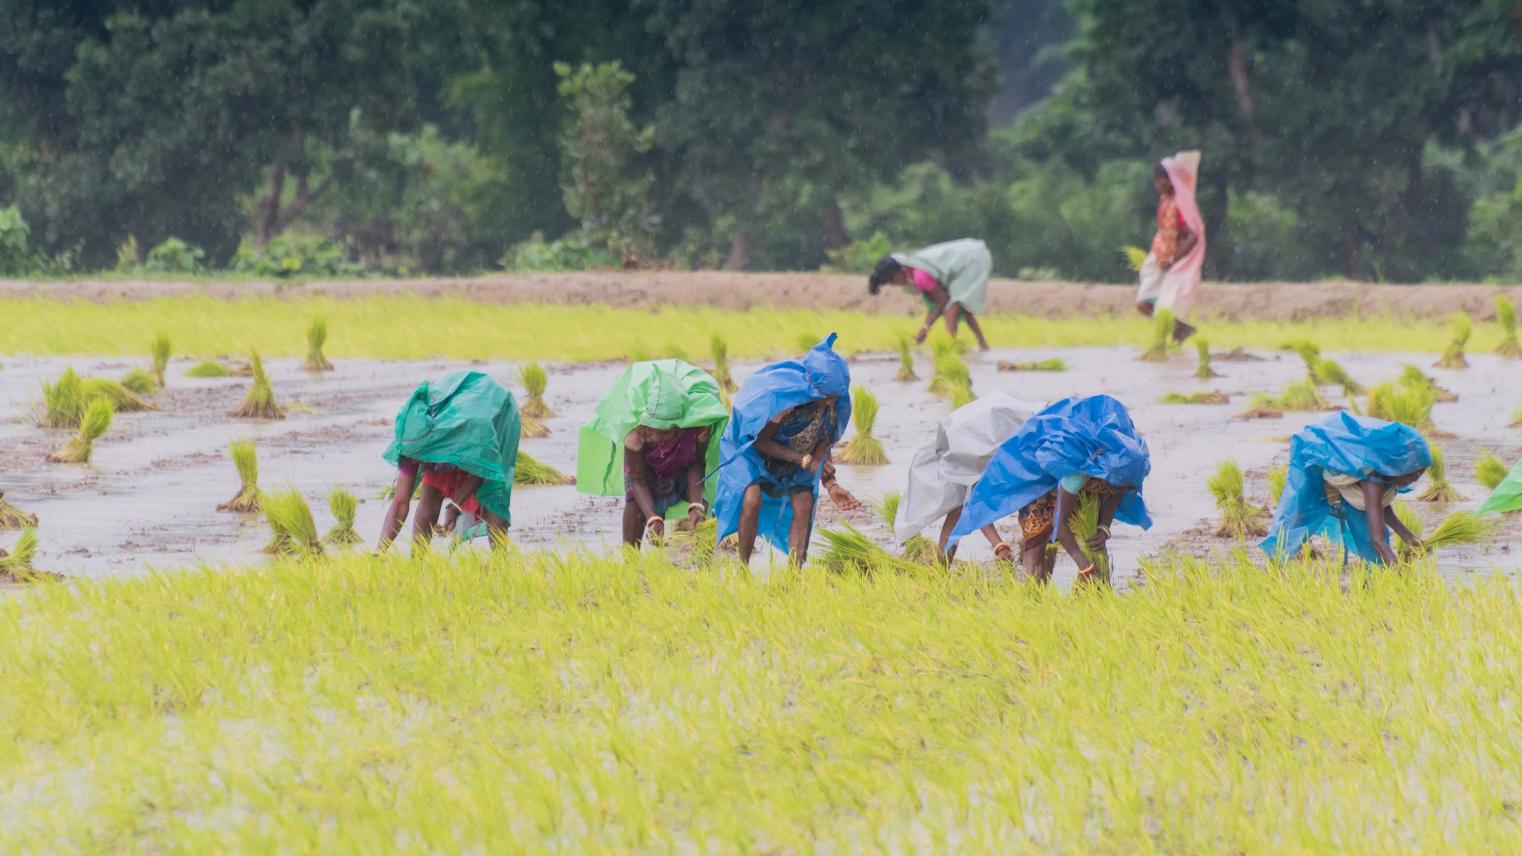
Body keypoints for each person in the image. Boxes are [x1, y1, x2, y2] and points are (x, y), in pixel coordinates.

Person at [948, 395, 1152, 585]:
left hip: (1079, 483)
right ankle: (1031, 597)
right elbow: (1058, 522)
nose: (1116, 490)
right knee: (1037, 536)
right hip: (1039, 478)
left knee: (1090, 539)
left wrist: (1103, 530)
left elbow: (1115, 495)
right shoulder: (1077, 471)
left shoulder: (1124, 468)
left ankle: (1088, 596)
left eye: (1120, 487)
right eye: (1112, 486)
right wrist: (1083, 564)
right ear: (1103, 475)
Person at [716, 333, 860, 566]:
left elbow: (825, 438)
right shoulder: (784, 400)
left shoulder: (836, 402)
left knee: (804, 502)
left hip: (799, 455)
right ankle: (742, 566)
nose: (833, 402)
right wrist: (804, 461)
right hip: (757, 455)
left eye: (836, 397)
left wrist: (830, 483)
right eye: (828, 397)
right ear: (814, 388)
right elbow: (761, 441)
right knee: (751, 500)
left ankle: (795, 575)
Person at [576, 359, 730, 549]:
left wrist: (696, 505)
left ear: (677, 427)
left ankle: (701, 566)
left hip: (682, 465)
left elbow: (696, 464)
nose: (653, 436)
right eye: (650, 429)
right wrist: (653, 518)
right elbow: (637, 479)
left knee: (703, 509)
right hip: (645, 471)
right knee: (635, 506)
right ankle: (629, 562)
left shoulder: (698, 427)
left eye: (662, 432)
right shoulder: (636, 432)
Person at [1262, 412, 1431, 567]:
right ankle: (1275, 566)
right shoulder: (1373, 477)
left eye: (1419, 475)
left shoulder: (1390, 469)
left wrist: (1407, 536)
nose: (1413, 480)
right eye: (1410, 475)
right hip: (1313, 463)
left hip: (1350, 480)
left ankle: (1373, 580)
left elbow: (1381, 506)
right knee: (1298, 519)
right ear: (1396, 468)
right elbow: (1377, 539)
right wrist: (1396, 568)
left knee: (1373, 544)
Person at [377, 370, 520, 551]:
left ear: (428, 445)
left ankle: (500, 562)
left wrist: (455, 505)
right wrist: (379, 552)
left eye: (416, 456)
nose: (413, 462)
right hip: (457, 422)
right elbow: (399, 502)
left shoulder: (474, 429)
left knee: (493, 492)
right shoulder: (410, 443)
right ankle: (416, 563)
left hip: (494, 416)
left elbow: (482, 470)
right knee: (430, 493)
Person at [894, 392, 1042, 561]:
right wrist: (998, 544)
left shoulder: (1009, 429)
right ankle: (944, 566)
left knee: (959, 510)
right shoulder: (967, 449)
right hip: (965, 449)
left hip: (981, 444)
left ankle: (943, 566)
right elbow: (975, 501)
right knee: (959, 509)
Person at [869, 238, 993, 350]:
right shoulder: (914, 268)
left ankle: (949, 347)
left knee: (952, 307)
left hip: (972, 259)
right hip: (972, 253)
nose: (893, 284)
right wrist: (925, 328)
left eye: (891, 280)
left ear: (899, 272)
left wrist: (925, 328)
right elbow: (936, 304)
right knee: (960, 306)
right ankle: (983, 345)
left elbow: (943, 301)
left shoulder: (920, 276)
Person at [1135, 152, 1206, 343]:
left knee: (1164, 306)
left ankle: (1174, 334)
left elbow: (1192, 236)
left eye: (1160, 181)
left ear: (1170, 180)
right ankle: (1180, 329)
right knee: (1143, 304)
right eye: (1155, 181)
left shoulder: (1181, 204)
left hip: (1174, 262)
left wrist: (1174, 259)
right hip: (1160, 257)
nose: (1157, 185)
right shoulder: (1164, 199)